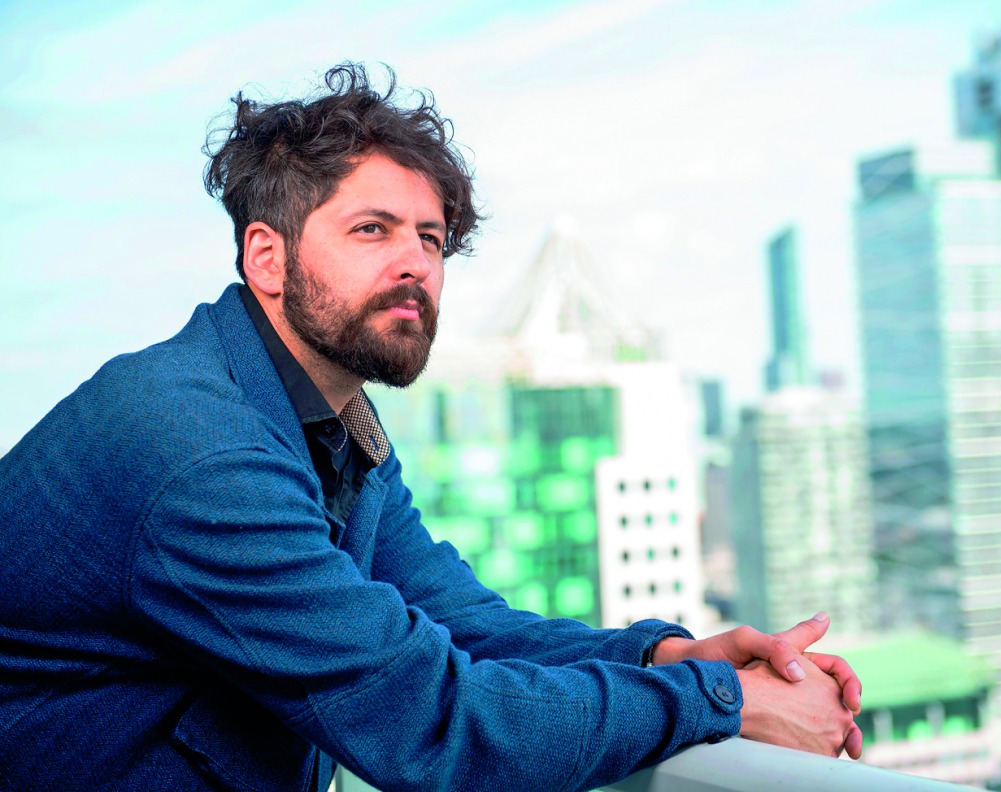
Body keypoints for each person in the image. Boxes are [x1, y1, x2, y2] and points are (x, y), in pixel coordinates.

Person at [0, 63, 862, 792]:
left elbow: (457, 622)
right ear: (268, 257)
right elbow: (433, 723)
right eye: (371, 230)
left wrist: (670, 658)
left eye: (432, 239)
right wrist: (726, 703)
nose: (415, 262)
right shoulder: (197, 449)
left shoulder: (341, 429)